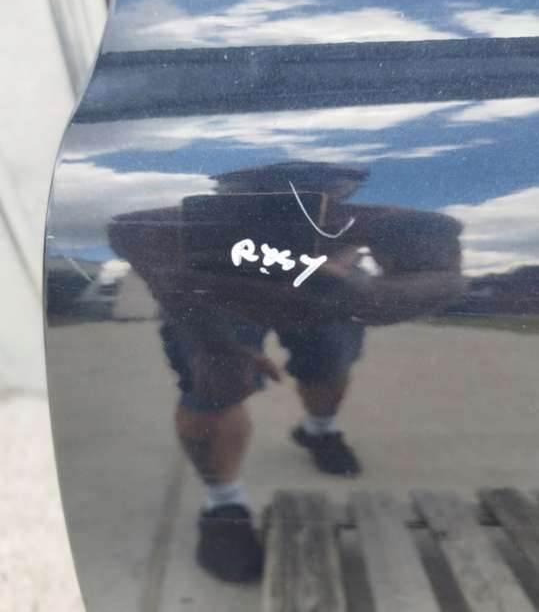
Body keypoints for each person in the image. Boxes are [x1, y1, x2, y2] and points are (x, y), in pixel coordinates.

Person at [108, 161, 462, 583]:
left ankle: (318, 430)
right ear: (229, 192)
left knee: (330, 364)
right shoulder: (177, 224)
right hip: (212, 274)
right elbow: (129, 231)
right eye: (264, 192)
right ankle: (222, 502)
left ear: (344, 191)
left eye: (324, 191)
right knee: (213, 387)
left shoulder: (361, 220)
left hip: (329, 274)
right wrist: (211, 337)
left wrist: (365, 289)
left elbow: (439, 267)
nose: (290, 203)